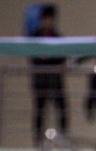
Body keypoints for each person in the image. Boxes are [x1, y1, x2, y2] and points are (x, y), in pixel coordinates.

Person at [29, 4, 68, 142]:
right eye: (45, 19)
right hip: (41, 78)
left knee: (62, 107)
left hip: (55, 78)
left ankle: (63, 137)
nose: (48, 22)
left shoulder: (58, 37)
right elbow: (33, 57)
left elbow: (62, 57)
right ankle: (37, 139)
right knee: (40, 109)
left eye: (50, 19)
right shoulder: (34, 37)